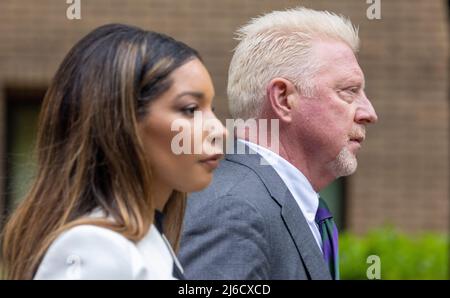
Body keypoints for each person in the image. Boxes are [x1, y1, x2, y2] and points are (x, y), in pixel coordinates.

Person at [1, 23, 226, 280]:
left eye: (213, 111)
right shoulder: (95, 247)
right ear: (123, 122)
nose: (220, 130)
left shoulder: (151, 241)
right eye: (190, 109)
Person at [179, 7, 378, 280]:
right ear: (284, 99)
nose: (369, 113)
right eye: (349, 91)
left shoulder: (276, 204)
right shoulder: (234, 211)